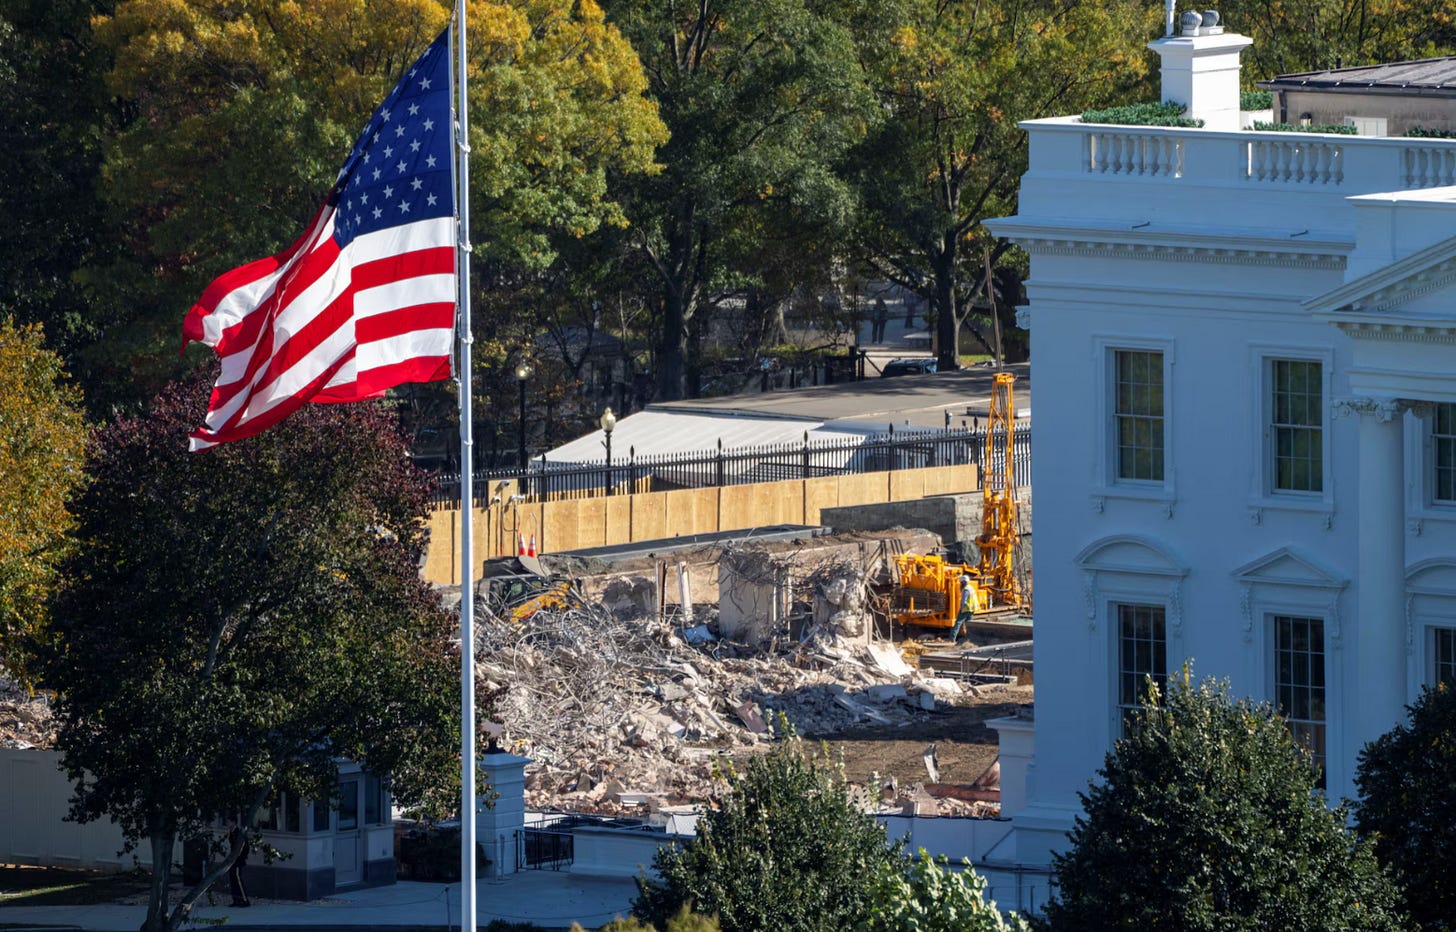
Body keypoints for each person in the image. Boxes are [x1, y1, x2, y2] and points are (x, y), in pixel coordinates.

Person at [226, 817, 251, 907]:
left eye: (229, 822)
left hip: (238, 860)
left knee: (237, 879)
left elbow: (245, 847)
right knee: (232, 879)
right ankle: (236, 899)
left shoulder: (238, 833)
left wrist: (241, 857)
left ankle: (244, 900)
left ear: (233, 822)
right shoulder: (231, 832)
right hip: (233, 859)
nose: (227, 824)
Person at [950, 574, 976, 642]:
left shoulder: (965, 589)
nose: (960, 584)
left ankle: (952, 639)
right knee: (970, 624)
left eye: (961, 582)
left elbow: (964, 601)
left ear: (964, 582)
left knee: (958, 623)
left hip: (965, 609)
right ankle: (969, 639)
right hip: (971, 609)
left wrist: (961, 608)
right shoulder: (971, 587)